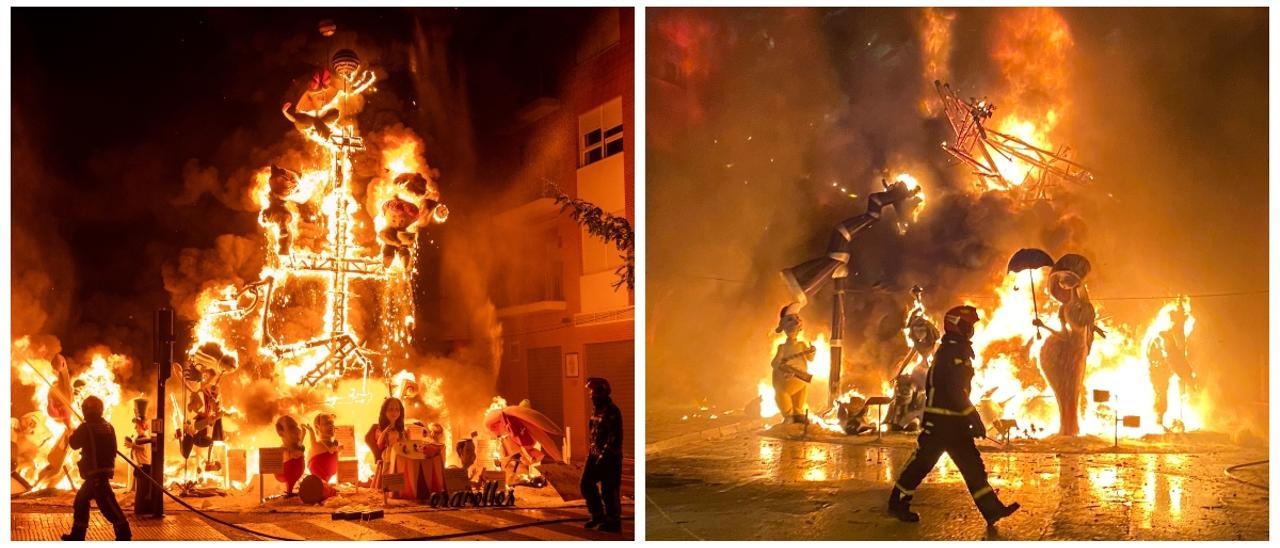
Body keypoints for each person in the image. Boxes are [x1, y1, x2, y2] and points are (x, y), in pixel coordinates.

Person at [888, 305, 1020, 527]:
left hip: (953, 424)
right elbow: (954, 389)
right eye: (968, 325)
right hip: (940, 425)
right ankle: (897, 504)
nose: (971, 329)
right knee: (921, 464)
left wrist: (968, 419)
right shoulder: (952, 352)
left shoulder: (955, 349)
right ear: (956, 325)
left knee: (973, 467)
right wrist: (974, 418)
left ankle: (992, 510)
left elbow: (957, 390)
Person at [62, 396, 131, 541]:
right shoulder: (108, 426)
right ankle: (77, 534)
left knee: (107, 504)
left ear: (86, 410)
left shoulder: (86, 427)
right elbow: (114, 449)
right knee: (81, 500)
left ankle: (124, 533)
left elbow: (74, 444)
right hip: (103, 470)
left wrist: (71, 432)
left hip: (95, 473)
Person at [581, 378, 624, 533]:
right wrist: (592, 453)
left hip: (610, 457)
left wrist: (604, 456)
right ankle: (598, 515)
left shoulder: (612, 411)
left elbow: (614, 438)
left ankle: (613, 521)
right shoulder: (596, 410)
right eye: (590, 393)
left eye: (593, 393)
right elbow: (594, 433)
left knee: (609, 489)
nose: (591, 396)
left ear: (602, 393)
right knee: (586, 484)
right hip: (594, 454)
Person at [770, 303, 814, 424]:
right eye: (790, 319)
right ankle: (788, 415)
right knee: (782, 395)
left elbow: (810, 358)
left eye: (797, 318)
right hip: (785, 382)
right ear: (783, 327)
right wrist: (784, 368)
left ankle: (798, 414)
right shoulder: (782, 347)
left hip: (801, 380)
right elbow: (774, 363)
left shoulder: (802, 345)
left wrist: (812, 351)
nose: (796, 322)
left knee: (799, 400)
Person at [364, 397, 406, 490]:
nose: (394, 413)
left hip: (398, 452)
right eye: (390, 409)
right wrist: (385, 432)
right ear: (384, 411)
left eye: (397, 410)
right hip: (388, 452)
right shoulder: (380, 429)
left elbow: (404, 442)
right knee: (388, 465)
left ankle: (398, 488)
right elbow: (379, 443)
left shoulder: (400, 430)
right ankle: (387, 487)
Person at [274, 415, 306, 496]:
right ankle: (289, 491)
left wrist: (303, 435)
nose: (297, 430)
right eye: (291, 428)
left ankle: (290, 490)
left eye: (296, 426)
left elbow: (298, 450)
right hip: (284, 475)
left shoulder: (297, 447)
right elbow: (296, 454)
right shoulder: (283, 450)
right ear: (281, 433)